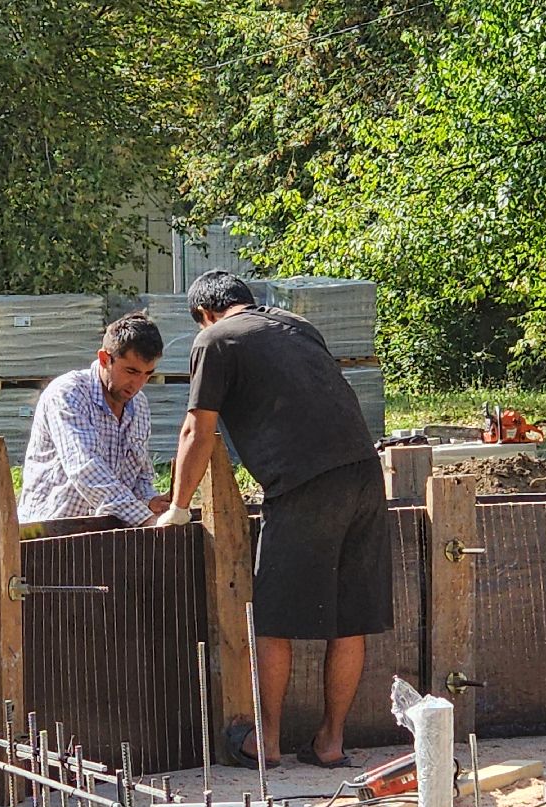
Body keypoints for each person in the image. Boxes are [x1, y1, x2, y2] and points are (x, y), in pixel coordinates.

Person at [156, 270, 392, 770]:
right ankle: (330, 742)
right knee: (349, 619)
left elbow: (196, 431)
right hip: (366, 475)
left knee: (271, 620)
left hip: (304, 484)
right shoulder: (297, 325)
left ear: (205, 313)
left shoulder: (214, 340)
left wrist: (178, 507)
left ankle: (266, 740)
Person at [18, 312, 171, 526]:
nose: (138, 383)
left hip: (106, 532)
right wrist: (145, 518)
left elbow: (140, 475)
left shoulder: (140, 405)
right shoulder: (68, 394)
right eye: (131, 371)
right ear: (104, 359)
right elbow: (85, 468)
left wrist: (149, 500)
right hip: (50, 531)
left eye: (147, 374)